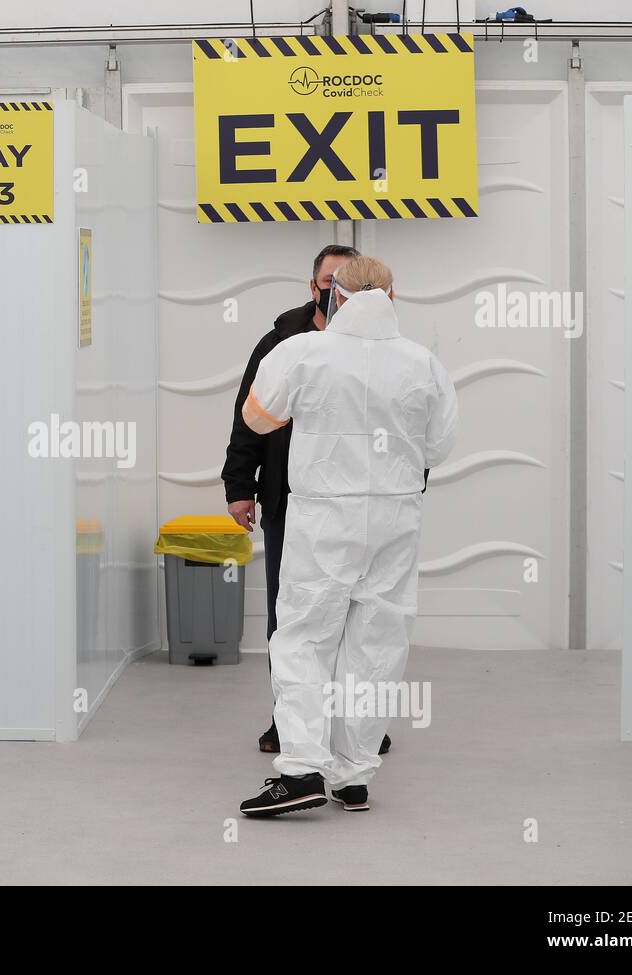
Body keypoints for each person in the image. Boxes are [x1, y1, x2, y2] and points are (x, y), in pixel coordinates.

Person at [236, 256, 458, 817]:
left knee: (306, 637)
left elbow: (257, 418)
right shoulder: (422, 362)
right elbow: (439, 447)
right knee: (376, 643)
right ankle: (354, 776)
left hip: (324, 517)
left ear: (334, 295)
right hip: (395, 516)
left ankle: (302, 769)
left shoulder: (302, 352)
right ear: (392, 295)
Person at [222, 244, 372, 753]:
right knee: (289, 618)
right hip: (289, 502)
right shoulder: (278, 342)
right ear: (313, 287)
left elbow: (409, 423)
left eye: (348, 284)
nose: (339, 293)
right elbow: (249, 419)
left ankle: (355, 724)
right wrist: (240, 487)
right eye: (330, 283)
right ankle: (287, 719)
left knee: (356, 617)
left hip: (359, 506)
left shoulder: (384, 349)